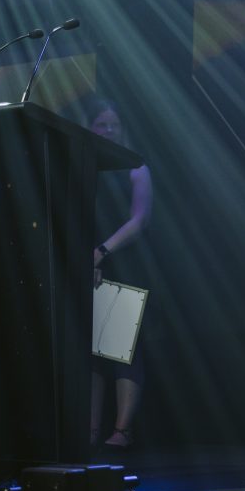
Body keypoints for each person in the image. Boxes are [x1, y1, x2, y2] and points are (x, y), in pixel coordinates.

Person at [87, 98, 153, 451]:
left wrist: (101, 252)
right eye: (102, 124)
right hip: (90, 263)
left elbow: (138, 220)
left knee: (122, 349)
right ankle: (91, 429)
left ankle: (123, 430)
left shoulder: (135, 167)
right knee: (93, 352)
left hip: (123, 261)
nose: (109, 130)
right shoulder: (86, 167)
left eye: (114, 124)